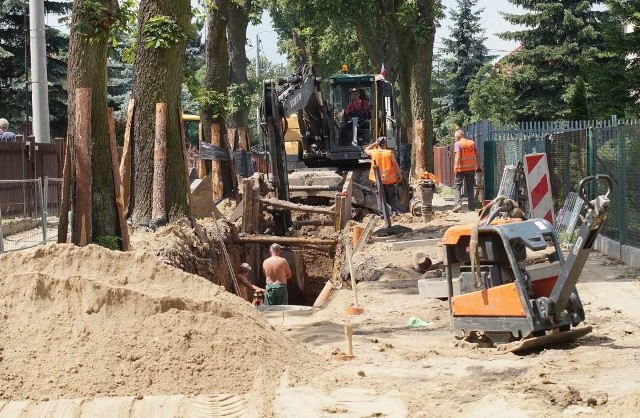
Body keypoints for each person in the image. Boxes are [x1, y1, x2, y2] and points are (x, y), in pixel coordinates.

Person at [364, 136, 403, 216]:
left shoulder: (373, 152)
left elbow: (365, 150)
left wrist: (374, 143)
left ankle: (382, 215)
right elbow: (395, 165)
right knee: (392, 196)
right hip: (389, 181)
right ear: (385, 144)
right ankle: (395, 212)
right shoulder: (389, 153)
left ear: (378, 144)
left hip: (377, 180)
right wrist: (399, 175)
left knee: (380, 198)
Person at [452, 129, 482, 213]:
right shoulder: (472, 143)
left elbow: (458, 156)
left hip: (461, 168)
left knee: (457, 186)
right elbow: (477, 155)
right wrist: (479, 165)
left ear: (458, 136)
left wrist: (456, 167)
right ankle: (471, 207)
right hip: (471, 168)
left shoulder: (458, 144)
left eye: (455, 136)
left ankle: (458, 204)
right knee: (470, 188)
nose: (454, 138)